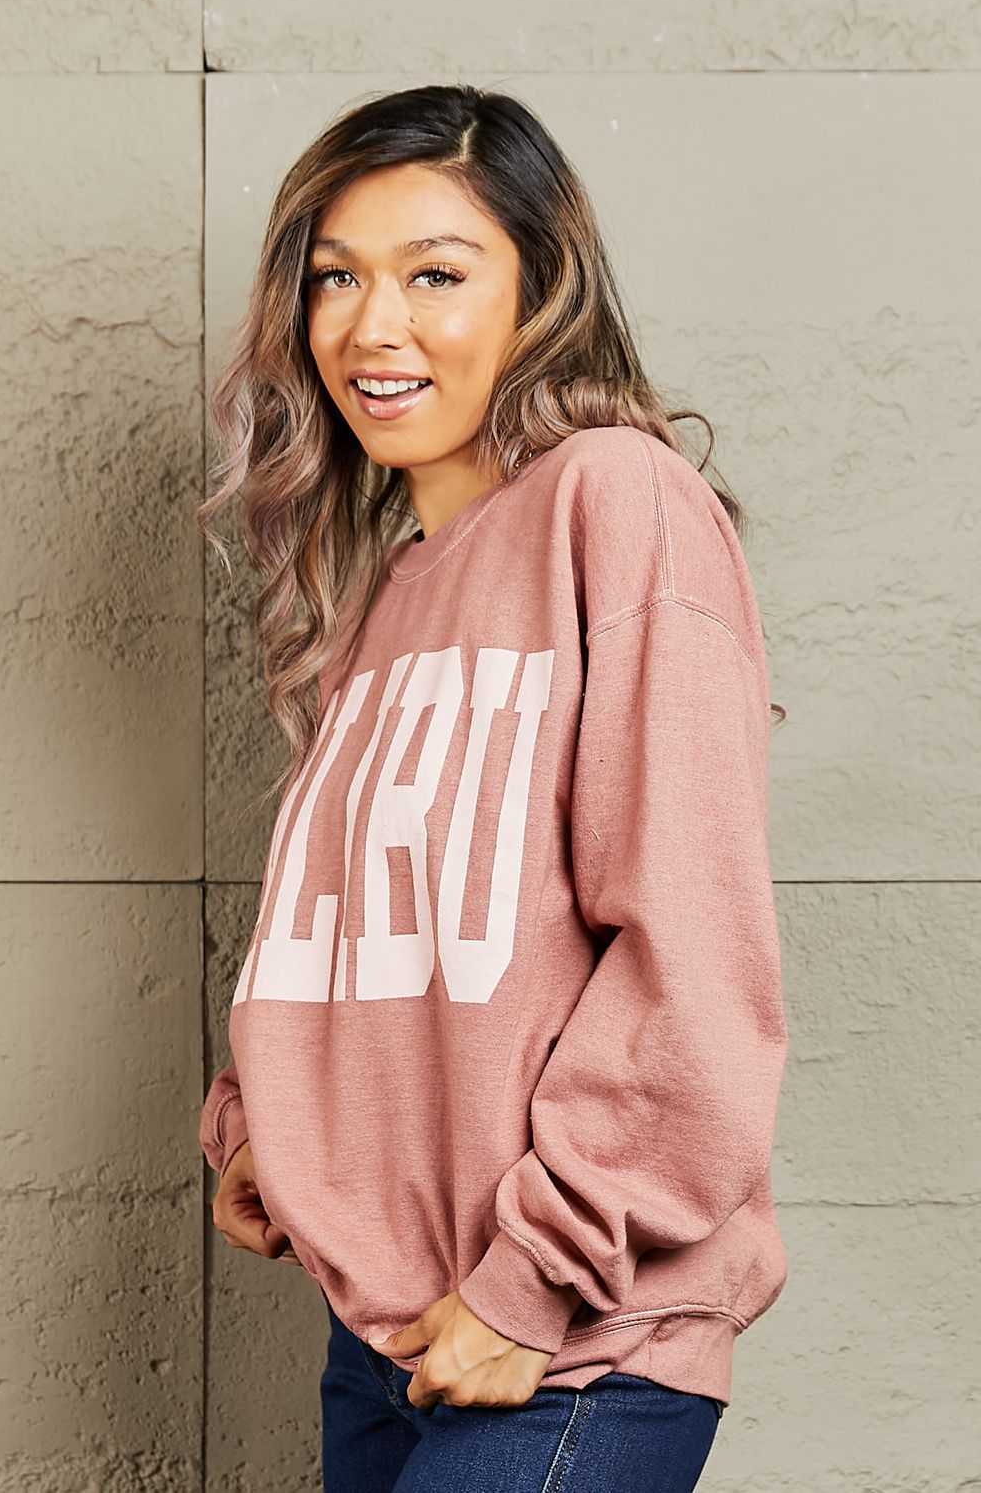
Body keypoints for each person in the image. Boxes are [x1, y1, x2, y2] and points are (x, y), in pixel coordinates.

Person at [197, 82, 790, 1492]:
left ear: (542, 294)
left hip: (566, 1341)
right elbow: (376, 923)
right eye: (335, 276)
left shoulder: (617, 501)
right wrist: (267, 1125)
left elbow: (693, 952)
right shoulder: (386, 590)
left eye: (435, 275)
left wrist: (536, 1279)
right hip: (386, 1338)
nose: (370, 327)